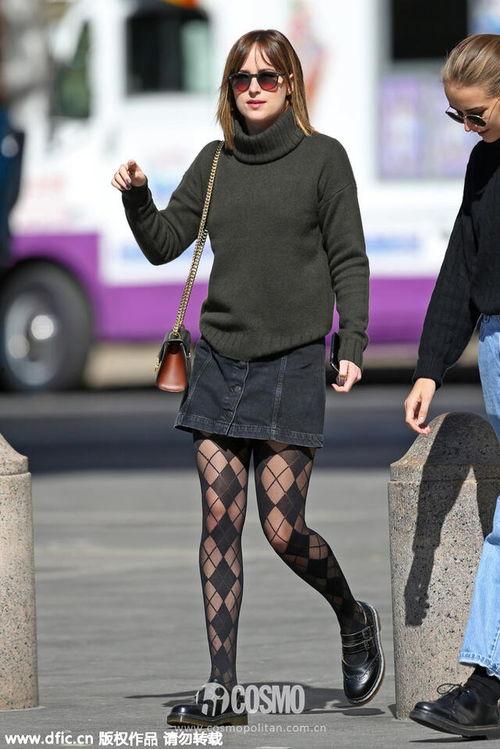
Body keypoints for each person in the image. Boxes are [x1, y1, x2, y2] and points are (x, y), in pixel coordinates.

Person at [112, 29, 383, 728]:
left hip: (294, 362)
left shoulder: (324, 159)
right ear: (228, 89)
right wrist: (138, 197)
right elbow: (164, 243)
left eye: (268, 76)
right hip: (221, 362)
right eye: (242, 78)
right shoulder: (215, 162)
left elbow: (349, 258)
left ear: (291, 83)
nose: (254, 87)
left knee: (283, 528)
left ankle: (353, 615)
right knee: (219, 522)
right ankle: (223, 688)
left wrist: (352, 341)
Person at [404, 33, 500, 741]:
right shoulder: (483, 162)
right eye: (456, 116)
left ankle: (489, 684)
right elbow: (462, 266)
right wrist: (430, 367)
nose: (466, 128)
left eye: (476, 114)